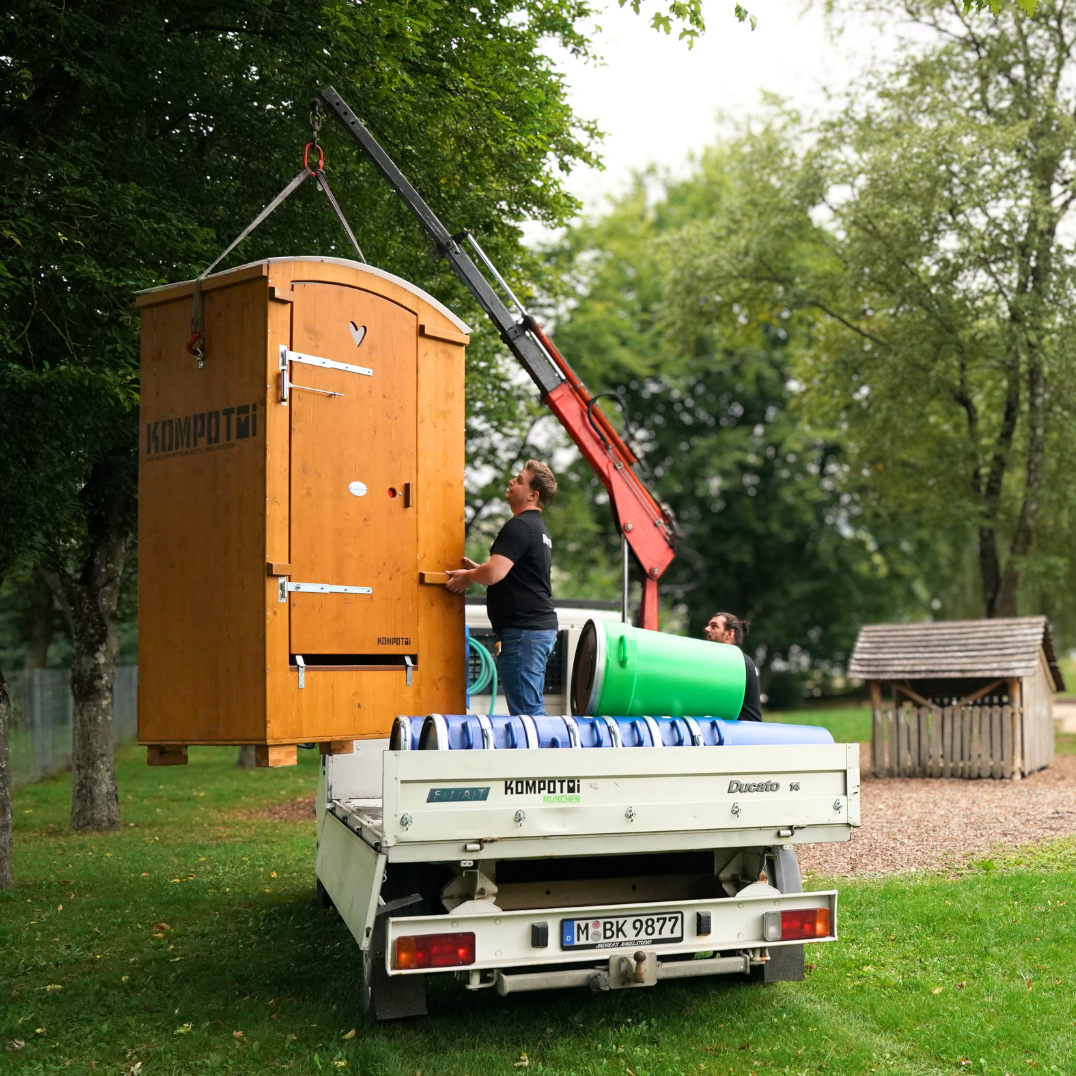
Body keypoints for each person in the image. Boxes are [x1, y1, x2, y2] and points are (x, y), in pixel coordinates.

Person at [446, 460, 559, 716]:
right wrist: (479, 570)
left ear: (533, 495)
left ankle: (538, 756)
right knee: (529, 709)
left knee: (527, 715)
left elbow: (494, 573)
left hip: (524, 633)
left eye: (519, 480)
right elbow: (515, 576)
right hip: (534, 630)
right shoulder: (537, 529)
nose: (511, 482)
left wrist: (469, 576)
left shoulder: (519, 526)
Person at [704, 611, 762, 721]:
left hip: (744, 734)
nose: (707, 629)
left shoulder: (738, 663)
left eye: (714, 626)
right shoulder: (724, 661)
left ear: (729, 634)